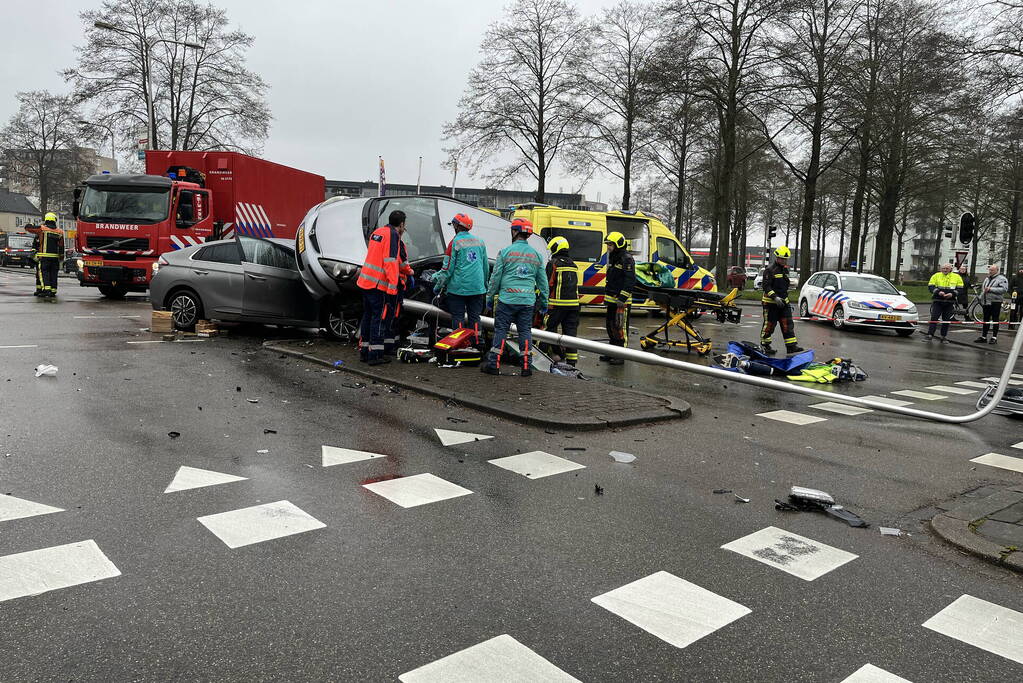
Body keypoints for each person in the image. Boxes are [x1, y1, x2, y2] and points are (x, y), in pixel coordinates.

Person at [481, 218, 548, 377]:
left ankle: (494, 365)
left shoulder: (505, 253)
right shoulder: (536, 256)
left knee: (501, 331)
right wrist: (544, 302)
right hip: (527, 302)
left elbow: (495, 278)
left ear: (515, 231)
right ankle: (526, 367)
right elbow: (543, 282)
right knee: (525, 332)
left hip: (507, 300)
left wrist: (489, 298)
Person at [356, 210, 412, 365]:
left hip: (365, 282)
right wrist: (393, 287)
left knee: (367, 317)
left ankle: (365, 351)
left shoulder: (378, 232)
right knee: (379, 319)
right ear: (401, 224)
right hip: (378, 285)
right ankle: (375, 355)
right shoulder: (393, 235)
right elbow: (390, 261)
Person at [433, 213, 489, 345]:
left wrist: (437, 285)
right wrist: (484, 285)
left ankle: (459, 344)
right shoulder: (480, 242)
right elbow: (485, 267)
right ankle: (477, 344)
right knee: (475, 317)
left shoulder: (454, 243)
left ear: (456, 226)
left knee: (458, 317)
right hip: (477, 288)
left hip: (458, 289)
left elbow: (447, 270)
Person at [543, 236, 581, 365]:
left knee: (549, 331)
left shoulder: (553, 263)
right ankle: (572, 362)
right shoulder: (573, 264)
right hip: (574, 306)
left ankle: (547, 355)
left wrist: (542, 301)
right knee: (570, 334)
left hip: (557, 305)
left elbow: (547, 283)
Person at [760, 246, 803, 355]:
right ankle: (765, 346)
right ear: (777, 258)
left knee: (787, 324)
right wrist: (775, 297)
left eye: (785, 259)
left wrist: (786, 301)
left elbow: (783, 287)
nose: (784, 261)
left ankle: (791, 346)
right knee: (769, 325)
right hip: (771, 304)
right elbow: (766, 286)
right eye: (782, 259)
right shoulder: (769, 270)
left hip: (784, 303)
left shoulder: (784, 270)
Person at [600, 231, 636, 365]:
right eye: (608, 244)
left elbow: (630, 280)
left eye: (610, 244)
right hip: (612, 300)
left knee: (620, 328)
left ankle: (621, 355)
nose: (608, 247)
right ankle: (612, 352)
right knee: (611, 327)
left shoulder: (626, 259)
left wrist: (622, 298)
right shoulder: (614, 257)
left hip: (622, 302)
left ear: (618, 244)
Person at [923, 263, 963, 343]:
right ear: (941, 269)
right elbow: (931, 286)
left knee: (946, 320)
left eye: (947, 268)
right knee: (934, 318)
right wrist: (938, 292)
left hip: (950, 302)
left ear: (950, 269)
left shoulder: (957, 277)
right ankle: (930, 335)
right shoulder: (936, 275)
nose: (945, 270)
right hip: (938, 301)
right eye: (943, 268)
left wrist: (952, 294)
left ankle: (943, 337)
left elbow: (960, 289)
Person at [31, 213, 64, 299]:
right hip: (55, 258)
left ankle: (46, 290)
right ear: (54, 220)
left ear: (46, 220)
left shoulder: (42, 229)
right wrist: (61, 256)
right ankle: (52, 290)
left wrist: (33, 254)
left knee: (43, 273)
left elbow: (35, 243)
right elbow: (61, 246)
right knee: (53, 274)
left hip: (43, 257)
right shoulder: (59, 232)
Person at [975, 264, 1008, 345]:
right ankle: (984, 337)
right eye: (989, 270)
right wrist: (980, 297)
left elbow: (1004, 289)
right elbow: (984, 289)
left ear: (997, 270)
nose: (990, 271)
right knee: (985, 319)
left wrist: (991, 289)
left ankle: (994, 337)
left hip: (995, 302)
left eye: (992, 270)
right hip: (986, 302)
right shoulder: (987, 278)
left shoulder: (1002, 279)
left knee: (995, 319)